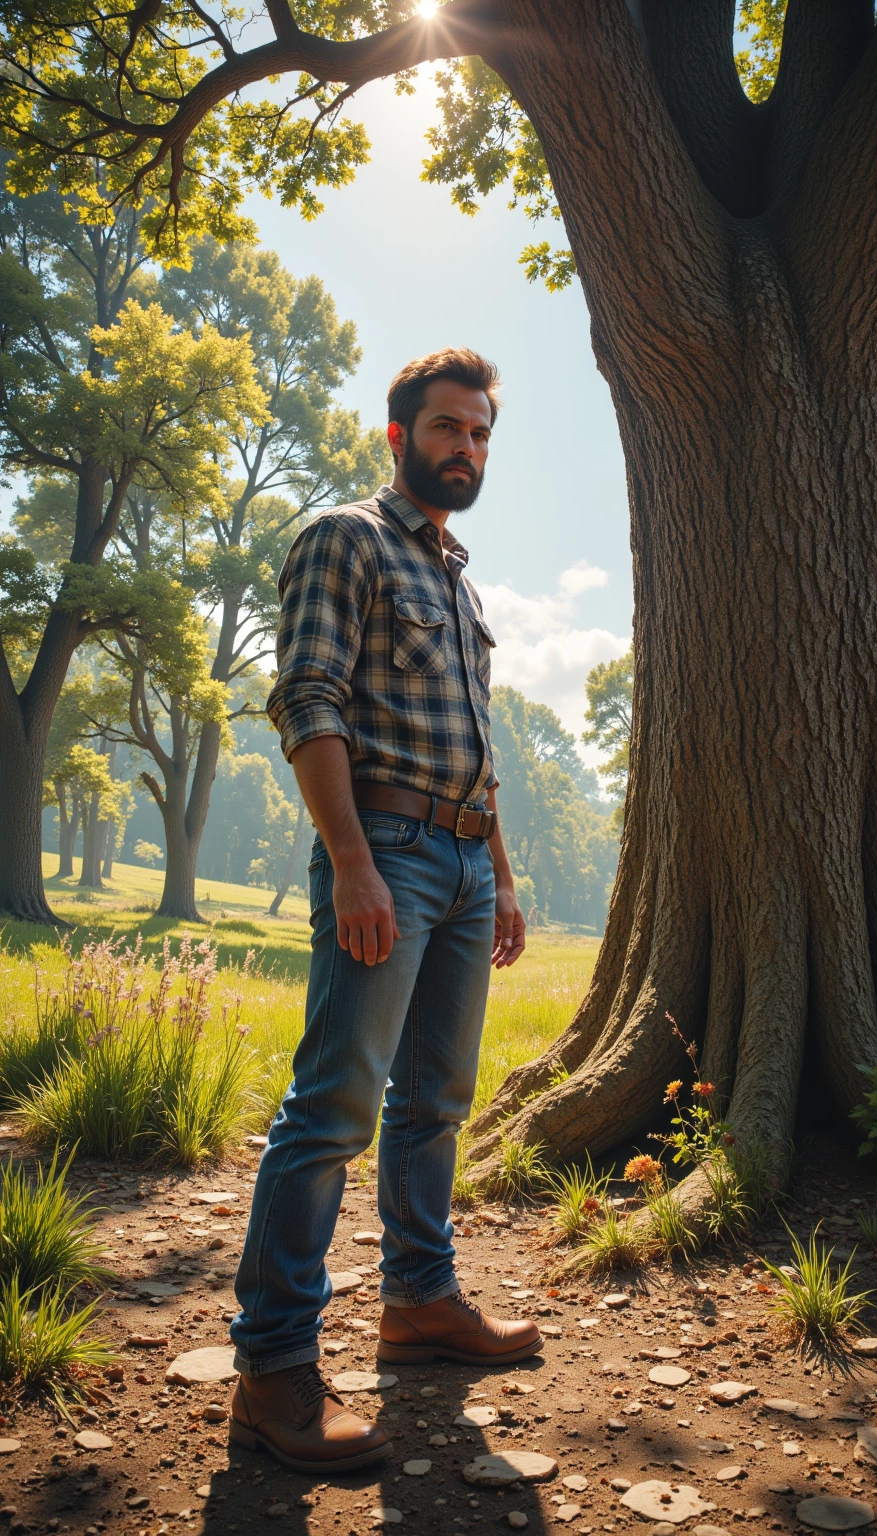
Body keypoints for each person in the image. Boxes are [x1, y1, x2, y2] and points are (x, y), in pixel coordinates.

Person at [227, 348, 540, 1475]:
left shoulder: (457, 580)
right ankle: (269, 1374)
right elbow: (306, 697)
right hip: (387, 853)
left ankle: (417, 1304)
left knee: (437, 1102)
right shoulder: (342, 537)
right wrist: (351, 861)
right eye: (449, 427)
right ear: (398, 433)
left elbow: (481, 755)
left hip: (459, 866)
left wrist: (498, 876)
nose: (468, 448)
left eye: (482, 433)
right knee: (333, 1109)